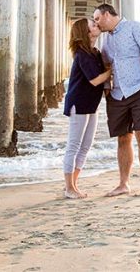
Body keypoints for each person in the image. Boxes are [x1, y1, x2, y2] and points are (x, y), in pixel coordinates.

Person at [92, 3, 140, 197]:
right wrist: (107, 91)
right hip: (117, 95)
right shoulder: (106, 40)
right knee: (123, 139)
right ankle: (123, 184)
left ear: (107, 14)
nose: (96, 23)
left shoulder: (135, 27)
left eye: (97, 18)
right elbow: (106, 65)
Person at [61, 18, 110, 199]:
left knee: (86, 146)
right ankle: (69, 188)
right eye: (93, 25)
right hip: (78, 104)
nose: (97, 26)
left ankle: (72, 184)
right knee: (73, 146)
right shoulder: (82, 54)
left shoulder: (95, 52)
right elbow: (95, 80)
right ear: (85, 32)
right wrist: (112, 71)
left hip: (91, 105)